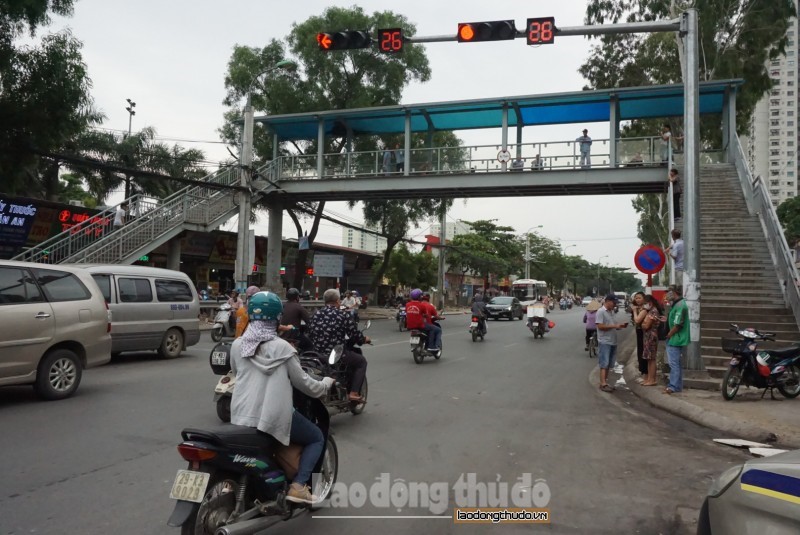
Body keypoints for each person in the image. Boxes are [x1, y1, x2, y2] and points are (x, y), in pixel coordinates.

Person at [229, 291, 336, 505]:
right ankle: (298, 486)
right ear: (277, 317)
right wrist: (325, 384)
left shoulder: (237, 345)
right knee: (316, 436)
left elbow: (235, 371)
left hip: (240, 413)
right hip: (272, 415)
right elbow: (304, 384)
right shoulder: (284, 348)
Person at [308, 289, 369, 403]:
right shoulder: (342, 315)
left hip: (316, 354)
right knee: (361, 362)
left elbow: (309, 333)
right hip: (336, 354)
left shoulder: (314, 314)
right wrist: (364, 339)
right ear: (337, 301)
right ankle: (354, 393)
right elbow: (354, 334)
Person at [595, 294, 628, 393]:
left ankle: (605, 382)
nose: (615, 305)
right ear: (608, 301)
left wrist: (619, 326)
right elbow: (600, 326)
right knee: (604, 363)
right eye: (614, 303)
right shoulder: (601, 312)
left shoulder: (611, 312)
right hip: (605, 341)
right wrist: (614, 326)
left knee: (609, 364)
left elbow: (613, 325)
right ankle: (603, 383)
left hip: (613, 340)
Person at [664, 285, 689, 394]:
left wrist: (669, 335)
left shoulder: (680, 306)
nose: (667, 294)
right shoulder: (677, 304)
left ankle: (672, 386)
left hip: (675, 339)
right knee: (677, 364)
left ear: (674, 292)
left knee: (673, 365)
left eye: (669, 291)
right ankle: (677, 386)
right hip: (676, 338)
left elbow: (678, 324)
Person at [641, 295, 665, 387]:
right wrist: (644, 323)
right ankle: (649, 379)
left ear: (649, 302)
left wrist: (644, 323)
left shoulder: (653, 311)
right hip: (648, 336)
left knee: (651, 359)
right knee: (649, 359)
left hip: (651, 336)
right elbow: (644, 324)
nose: (644, 305)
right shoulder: (650, 311)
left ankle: (652, 379)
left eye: (645, 303)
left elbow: (645, 326)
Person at [282, 288, 313, 353]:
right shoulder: (298, 307)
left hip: (281, 336)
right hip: (293, 337)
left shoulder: (282, 306)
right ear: (297, 297)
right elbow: (309, 321)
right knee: (310, 346)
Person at [629, 292, 647, 378]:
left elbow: (637, 320)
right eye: (636, 298)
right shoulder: (636, 308)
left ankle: (646, 372)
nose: (638, 300)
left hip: (645, 332)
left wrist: (634, 311)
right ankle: (642, 371)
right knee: (640, 351)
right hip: (639, 331)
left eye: (639, 298)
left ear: (644, 298)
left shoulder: (645, 309)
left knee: (644, 351)